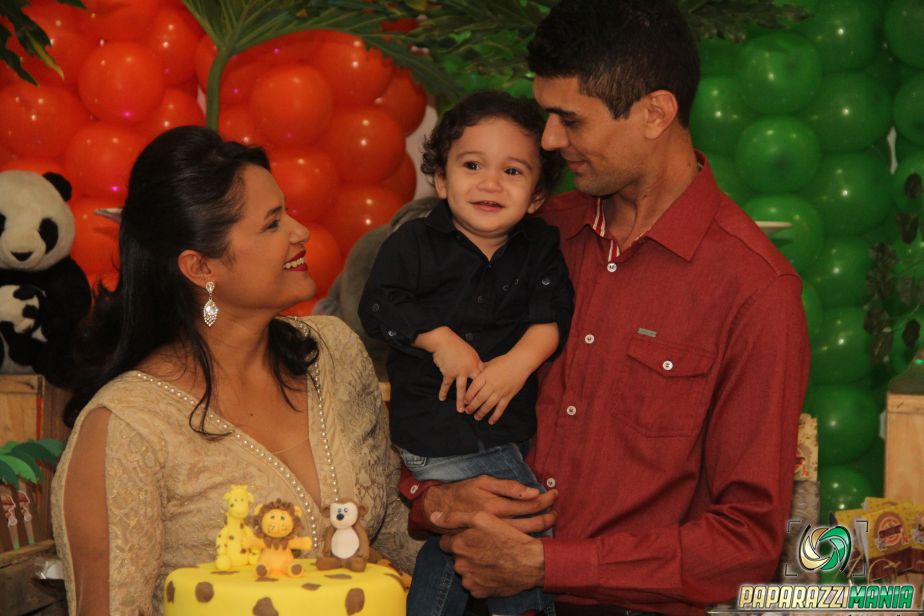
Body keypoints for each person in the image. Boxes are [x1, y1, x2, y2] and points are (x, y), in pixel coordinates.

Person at [400, 1, 811, 614]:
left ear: (655, 113)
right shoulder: (533, 234)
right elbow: (426, 395)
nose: (548, 140)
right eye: (546, 115)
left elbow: (746, 544)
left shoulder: (753, 289)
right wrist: (433, 499)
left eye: (571, 119)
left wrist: (551, 565)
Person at [50, 126, 421, 615]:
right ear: (201, 268)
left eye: (287, 212)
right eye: (272, 224)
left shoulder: (334, 354)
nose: (300, 232)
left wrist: (456, 523)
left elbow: (393, 531)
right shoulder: (127, 428)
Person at [360, 90, 573, 616]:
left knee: (462, 534)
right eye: (472, 165)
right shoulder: (413, 244)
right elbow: (378, 307)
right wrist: (440, 340)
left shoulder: (540, 246)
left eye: (513, 171)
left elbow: (550, 320)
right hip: (435, 432)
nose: (490, 183)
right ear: (440, 179)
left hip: (503, 428)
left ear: (537, 196)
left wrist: (517, 366)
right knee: (523, 518)